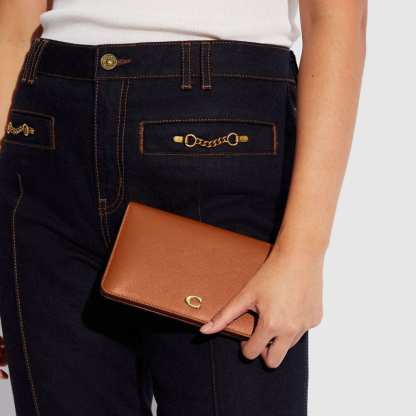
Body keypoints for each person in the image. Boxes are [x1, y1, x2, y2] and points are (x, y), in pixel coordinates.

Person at [0, 0, 367, 415]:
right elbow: (14, 27)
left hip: (221, 138)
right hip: (45, 134)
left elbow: (335, 17)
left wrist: (303, 253)